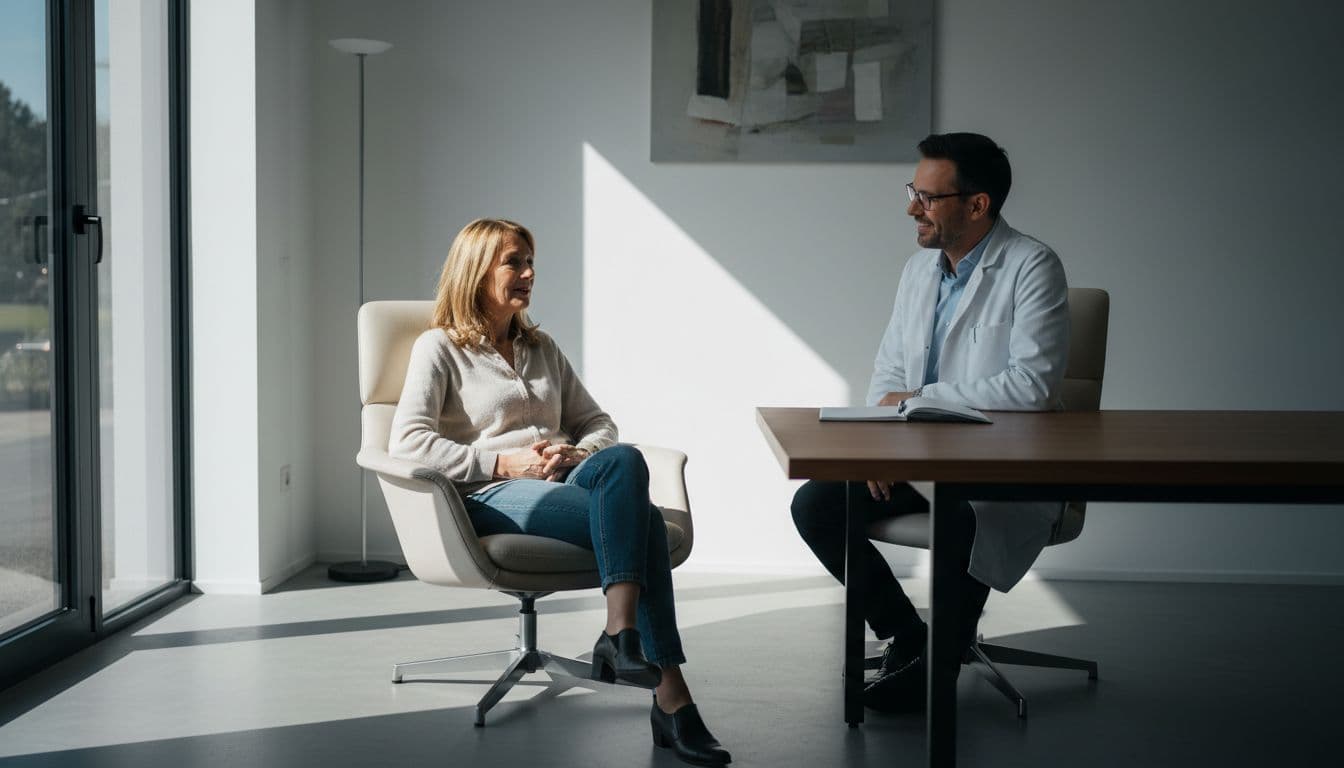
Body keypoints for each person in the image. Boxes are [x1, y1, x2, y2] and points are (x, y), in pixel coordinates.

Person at [388, 218, 730, 766]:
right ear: (476, 270)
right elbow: (407, 444)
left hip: (564, 478)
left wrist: (576, 453)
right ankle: (670, 697)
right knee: (640, 523)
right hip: (490, 493)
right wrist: (502, 459)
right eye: (514, 263)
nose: (528, 274)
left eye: (530, 264)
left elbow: (600, 423)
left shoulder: (541, 347)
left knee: (623, 459)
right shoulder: (440, 349)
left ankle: (620, 633)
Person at [791, 133, 1071, 712]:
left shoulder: (1032, 266)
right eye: (912, 191)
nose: (911, 207)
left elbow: (1032, 386)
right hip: (916, 462)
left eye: (927, 196)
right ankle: (909, 634)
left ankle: (937, 667)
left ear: (977, 204)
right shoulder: (918, 272)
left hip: (1001, 471)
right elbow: (888, 372)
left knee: (964, 515)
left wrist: (919, 398)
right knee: (817, 504)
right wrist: (880, 447)